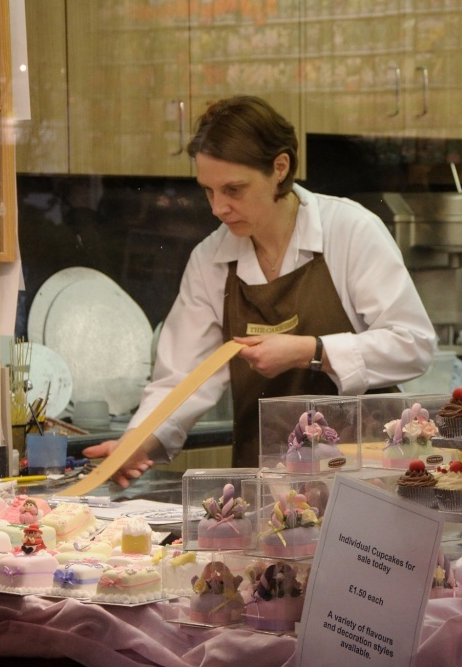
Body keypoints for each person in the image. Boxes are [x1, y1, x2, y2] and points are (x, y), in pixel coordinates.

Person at [84, 95, 436, 484]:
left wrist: (311, 351)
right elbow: (182, 379)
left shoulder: (350, 231)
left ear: (279, 168)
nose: (218, 208)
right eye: (208, 191)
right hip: (268, 480)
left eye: (233, 190)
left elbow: (413, 344)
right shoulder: (211, 259)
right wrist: (138, 440)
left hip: (367, 476)